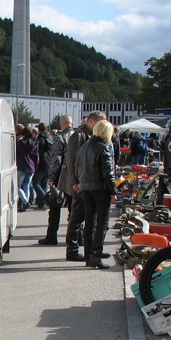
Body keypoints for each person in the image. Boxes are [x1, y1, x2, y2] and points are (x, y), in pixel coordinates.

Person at [61, 112, 104, 261]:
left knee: (86, 218)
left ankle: (90, 249)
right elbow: (71, 160)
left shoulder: (88, 135)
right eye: (99, 123)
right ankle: (72, 250)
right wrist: (75, 182)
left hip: (85, 183)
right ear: (91, 121)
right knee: (76, 217)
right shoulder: (78, 135)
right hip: (79, 184)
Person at [76, 120, 116, 269]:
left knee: (89, 222)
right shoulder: (103, 148)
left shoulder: (83, 148)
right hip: (100, 188)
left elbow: (77, 168)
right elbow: (108, 172)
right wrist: (113, 191)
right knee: (102, 223)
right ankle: (96, 254)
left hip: (86, 187)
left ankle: (89, 254)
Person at [38, 116, 73, 246]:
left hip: (62, 176)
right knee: (74, 209)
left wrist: (52, 177)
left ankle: (52, 236)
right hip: (76, 177)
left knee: (55, 206)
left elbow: (56, 159)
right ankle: (76, 237)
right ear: (72, 123)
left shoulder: (59, 138)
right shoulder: (79, 136)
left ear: (61, 124)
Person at [16, 126, 39, 211]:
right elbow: (36, 156)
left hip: (22, 166)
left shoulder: (20, 142)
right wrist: (35, 166)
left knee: (18, 187)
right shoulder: (35, 143)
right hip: (31, 166)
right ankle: (26, 202)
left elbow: (17, 153)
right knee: (27, 185)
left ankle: (25, 202)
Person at [33, 122, 53, 208]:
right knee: (44, 183)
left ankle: (46, 198)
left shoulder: (40, 138)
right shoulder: (50, 137)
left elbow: (37, 151)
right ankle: (42, 204)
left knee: (35, 182)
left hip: (42, 162)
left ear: (39, 129)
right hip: (49, 162)